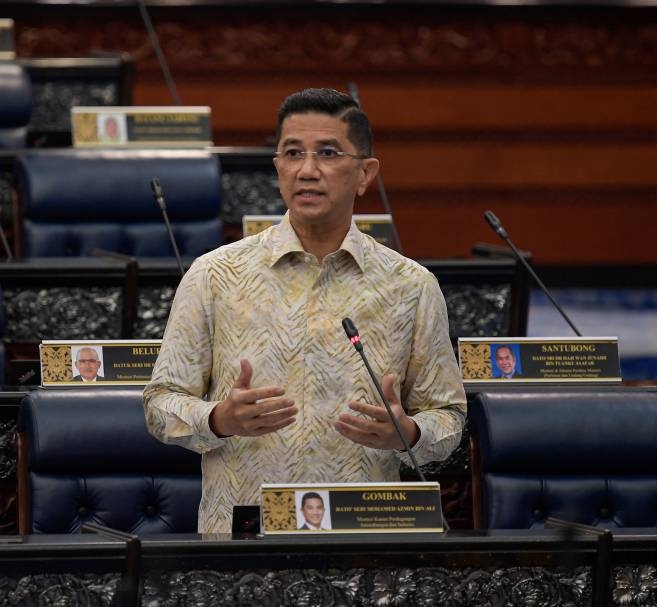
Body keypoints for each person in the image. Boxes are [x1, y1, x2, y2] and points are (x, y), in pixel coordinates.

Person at [143, 87, 466, 533]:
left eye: (329, 153)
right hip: (242, 539)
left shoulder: (410, 286)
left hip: (364, 537)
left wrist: (408, 434)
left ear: (365, 174)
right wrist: (218, 419)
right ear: (278, 168)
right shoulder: (214, 275)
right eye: (293, 153)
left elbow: (448, 418)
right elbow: (160, 405)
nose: (307, 170)